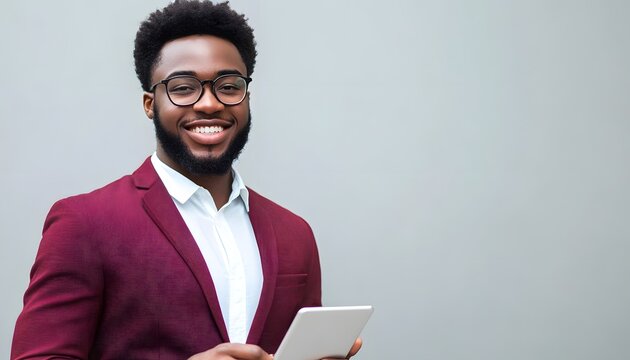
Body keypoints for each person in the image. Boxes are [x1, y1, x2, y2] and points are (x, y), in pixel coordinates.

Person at [11, 1, 361, 359]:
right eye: (183, 87)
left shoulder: (294, 233)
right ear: (150, 103)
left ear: (247, 97)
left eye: (228, 86)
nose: (210, 103)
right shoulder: (85, 223)